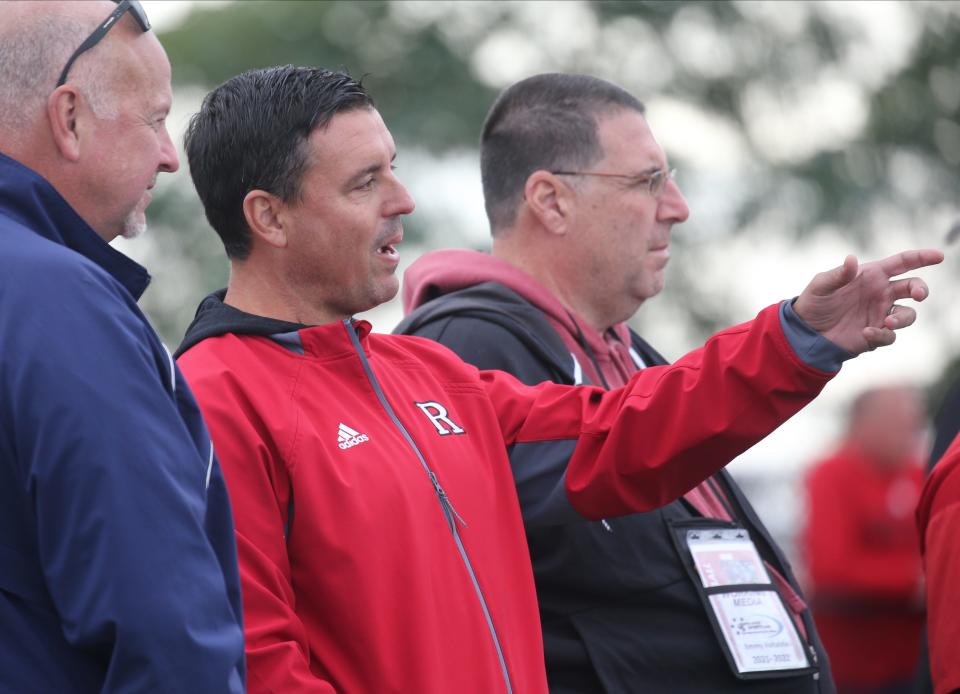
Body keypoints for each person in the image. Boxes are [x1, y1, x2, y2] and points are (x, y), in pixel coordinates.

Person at [176, 64, 940, 694]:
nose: (402, 202)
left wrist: (796, 338)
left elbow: (623, 432)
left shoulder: (427, 373)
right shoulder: (211, 397)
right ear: (269, 219)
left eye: (395, 172)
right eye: (364, 182)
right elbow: (257, 664)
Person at [394, 72, 833, 693]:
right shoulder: (466, 350)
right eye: (648, 181)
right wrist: (797, 343)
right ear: (550, 201)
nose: (677, 207)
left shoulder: (625, 352)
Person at [0, 2, 245, 691]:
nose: (171, 156)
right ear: (69, 117)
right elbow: (164, 636)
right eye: (156, 118)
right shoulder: (59, 304)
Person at [801, 386, 926, 694]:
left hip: (913, 662)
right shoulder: (831, 474)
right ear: (863, 423)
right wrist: (915, 580)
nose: (909, 431)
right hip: (853, 668)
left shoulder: (918, 473)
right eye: (898, 421)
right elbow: (831, 570)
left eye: (912, 422)